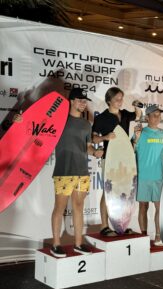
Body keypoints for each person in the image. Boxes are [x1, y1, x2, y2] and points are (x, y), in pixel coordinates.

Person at [50, 87, 103, 257]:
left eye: (84, 101)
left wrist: (94, 152)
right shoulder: (60, 120)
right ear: (71, 101)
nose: (83, 103)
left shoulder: (87, 124)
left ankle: (78, 244)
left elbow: (87, 147)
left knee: (78, 207)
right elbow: (38, 129)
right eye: (80, 100)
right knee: (60, 208)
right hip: (64, 171)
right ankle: (56, 244)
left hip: (82, 172)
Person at [92, 86, 142, 237]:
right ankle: (104, 226)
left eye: (121, 98)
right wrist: (105, 137)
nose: (120, 101)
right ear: (109, 101)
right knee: (108, 191)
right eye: (117, 99)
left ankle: (122, 223)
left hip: (125, 157)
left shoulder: (125, 114)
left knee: (125, 190)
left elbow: (137, 116)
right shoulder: (101, 118)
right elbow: (94, 138)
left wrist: (137, 106)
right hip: (110, 159)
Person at [133, 104, 163, 246]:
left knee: (160, 207)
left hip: (158, 177)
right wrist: (136, 138)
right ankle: (143, 237)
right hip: (143, 177)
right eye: (154, 115)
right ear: (147, 117)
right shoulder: (140, 132)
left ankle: (158, 236)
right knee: (143, 207)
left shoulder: (162, 133)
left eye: (159, 115)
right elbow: (132, 149)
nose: (157, 117)